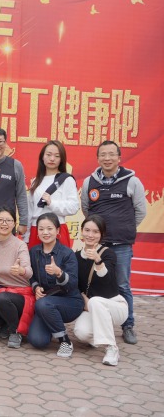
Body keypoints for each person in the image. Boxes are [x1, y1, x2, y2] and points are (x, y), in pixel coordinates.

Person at [81, 140, 146, 345]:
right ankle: (98, 319)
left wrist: (124, 227)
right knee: (96, 281)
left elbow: (140, 211)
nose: (107, 158)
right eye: (103, 154)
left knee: (122, 284)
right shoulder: (89, 182)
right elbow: (86, 209)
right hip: (97, 246)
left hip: (121, 245)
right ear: (97, 158)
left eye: (111, 154)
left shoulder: (132, 181)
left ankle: (128, 325)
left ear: (119, 157)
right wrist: (96, 233)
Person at [73, 215, 128, 366]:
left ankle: (111, 348)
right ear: (82, 231)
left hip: (115, 305)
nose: (90, 235)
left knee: (96, 301)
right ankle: (102, 335)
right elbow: (74, 284)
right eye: (87, 230)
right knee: (81, 332)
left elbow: (107, 280)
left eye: (95, 231)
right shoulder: (76, 256)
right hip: (91, 306)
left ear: (102, 234)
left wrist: (98, 260)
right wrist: (83, 298)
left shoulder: (108, 254)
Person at [27, 213, 83, 358]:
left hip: (70, 301)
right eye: (41, 229)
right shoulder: (33, 252)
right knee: (37, 341)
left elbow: (73, 283)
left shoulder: (67, 253)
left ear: (58, 230)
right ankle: (53, 325)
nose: (45, 232)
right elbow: (31, 275)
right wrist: (36, 287)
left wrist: (59, 273)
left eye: (49, 228)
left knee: (43, 304)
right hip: (46, 303)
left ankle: (65, 341)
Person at [0, 207, 34, 349]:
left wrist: (21, 270)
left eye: (8, 220)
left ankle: (15, 331)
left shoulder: (20, 245)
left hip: (20, 294)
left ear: (14, 223)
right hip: (0, 292)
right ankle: (6, 322)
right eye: (0, 220)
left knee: (3, 298)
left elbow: (29, 272)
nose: (4, 224)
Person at [26, 140, 78, 249]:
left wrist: (52, 203)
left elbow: (73, 207)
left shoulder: (66, 180)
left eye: (57, 156)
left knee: (59, 260)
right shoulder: (35, 181)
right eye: (48, 155)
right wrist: (26, 237)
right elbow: (30, 210)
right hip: (36, 230)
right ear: (42, 157)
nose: (52, 159)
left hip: (57, 228)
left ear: (61, 159)